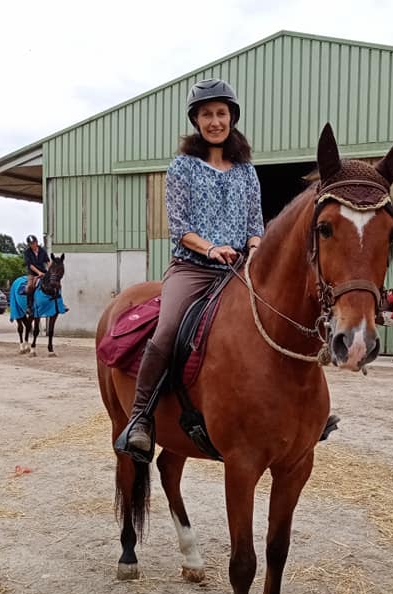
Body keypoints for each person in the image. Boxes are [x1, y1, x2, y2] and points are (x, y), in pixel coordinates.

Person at [122, 78, 263, 454]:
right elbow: (179, 227)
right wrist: (211, 248)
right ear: (196, 121)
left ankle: (295, 410)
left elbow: (255, 225)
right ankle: (140, 417)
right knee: (167, 330)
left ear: (232, 117)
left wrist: (255, 246)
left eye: (221, 113)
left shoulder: (246, 171)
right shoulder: (182, 167)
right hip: (193, 268)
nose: (215, 121)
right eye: (206, 115)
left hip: (239, 270)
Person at [23, 234, 50, 316]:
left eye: (34, 243)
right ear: (29, 244)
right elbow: (30, 265)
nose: (33, 245)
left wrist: (50, 270)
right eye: (31, 244)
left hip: (43, 271)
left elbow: (47, 261)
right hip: (32, 273)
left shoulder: (42, 250)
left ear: (37, 242)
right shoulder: (27, 252)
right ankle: (29, 306)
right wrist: (38, 273)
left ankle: (59, 303)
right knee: (30, 286)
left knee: (54, 282)